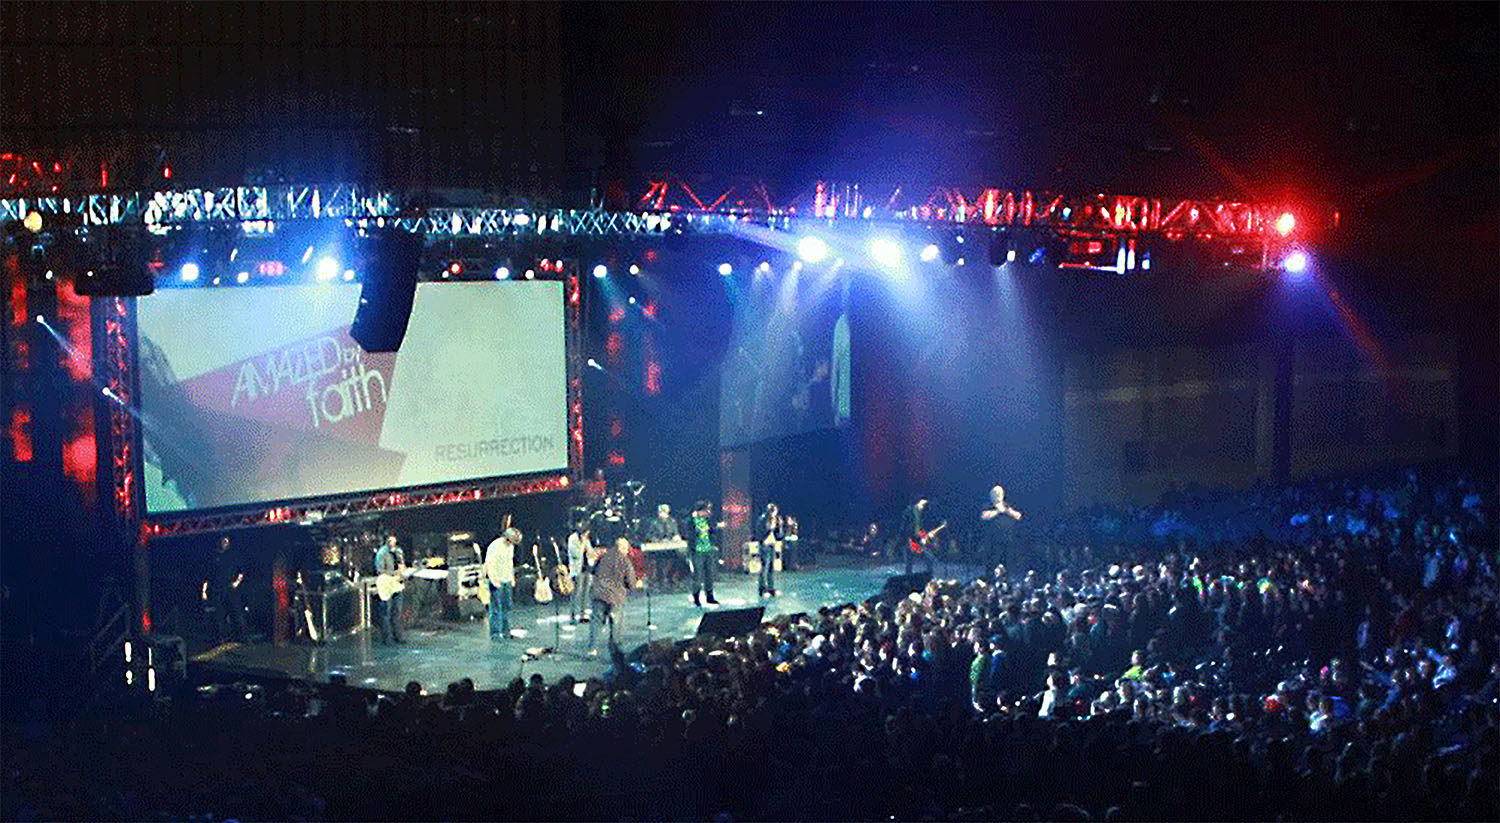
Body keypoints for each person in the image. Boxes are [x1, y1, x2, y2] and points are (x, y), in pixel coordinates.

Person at [588, 536, 636, 657]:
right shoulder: (625, 561)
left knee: (596, 623)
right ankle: (615, 650)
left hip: (599, 594)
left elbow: (592, 570)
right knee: (616, 624)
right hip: (615, 597)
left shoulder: (604, 556)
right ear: (623, 548)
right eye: (626, 549)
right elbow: (630, 582)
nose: (627, 551)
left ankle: (592, 649)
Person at [202, 535, 247, 643]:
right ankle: (223, 638)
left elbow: (241, 572)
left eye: (226, 542)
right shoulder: (214, 558)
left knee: (236, 613)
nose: (224, 544)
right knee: (220, 616)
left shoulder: (233, 557)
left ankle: (240, 637)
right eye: (223, 541)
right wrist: (204, 591)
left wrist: (236, 584)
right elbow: (208, 577)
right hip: (218, 590)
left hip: (230, 589)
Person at [484, 527, 519, 641]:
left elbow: (510, 562)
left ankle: (506, 631)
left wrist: (512, 578)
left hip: (506, 580)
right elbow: (489, 564)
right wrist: (493, 580)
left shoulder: (511, 547)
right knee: (495, 608)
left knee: (506, 607)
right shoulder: (495, 546)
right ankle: (495, 633)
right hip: (497, 580)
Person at [980, 484, 1024, 572]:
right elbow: (984, 515)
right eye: (995, 493)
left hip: (1007, 539)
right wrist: (997, 511)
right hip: (992, 540)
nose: (997, 496)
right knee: (991, 562)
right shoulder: (988, 506)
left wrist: (1008, 511)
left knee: (1006, 563)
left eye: (999, 493)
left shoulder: (1007, 506)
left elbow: (1018, 516)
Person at [373, 534, 406, 644]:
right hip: (387, 584)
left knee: (397, 611)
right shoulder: (382, 553)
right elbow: (380, 570)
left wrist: (402, 571)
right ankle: (387, 638)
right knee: (386, 612)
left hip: (397, 584)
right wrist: (394, 573)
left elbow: (401, 564)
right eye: (390, 540)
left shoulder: (398, 551)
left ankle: (398, 635)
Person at [687, 500, 720, 607]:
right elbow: (689, 535)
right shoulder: (691, 521)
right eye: (705, 510)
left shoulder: (708, 520)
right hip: (697, 551)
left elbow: (712, 531)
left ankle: (710, 596)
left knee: (709, 575)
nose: (707, 512)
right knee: (698, 575)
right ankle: (696, 597)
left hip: (708, 550)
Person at [567, 522, 594, 623]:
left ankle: (583, 614)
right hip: (577, 569)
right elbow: (575, 554)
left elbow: (590, 551)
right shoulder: (573, 539)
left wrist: (591, 552)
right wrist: (583, 545)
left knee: (585, 593)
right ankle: (573, 615)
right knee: (576, 593)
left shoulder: (585, 540)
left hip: (586, 569)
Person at [757, 502, 784, 597]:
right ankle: (762, 587)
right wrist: (770, 528)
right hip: (765, 545)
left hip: (772, 544)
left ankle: (771, 588)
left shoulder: (775, 520)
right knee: (764, 567)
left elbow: (779, 535)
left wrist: (779, 526)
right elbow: (760, 532)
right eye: (775, 511)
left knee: (771, 568)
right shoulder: (763, 519)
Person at [904, 498, 937, 576]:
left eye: (925, 505)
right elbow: (906, 525)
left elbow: (921, 525)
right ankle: (908, 575)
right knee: (909, 558)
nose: (923, 507)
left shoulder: (923, 513)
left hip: (919, 536)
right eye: (922, 504)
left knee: (928, 556)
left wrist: (924, 535)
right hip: (911, 537)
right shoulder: (910, 511)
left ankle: (929, 573)